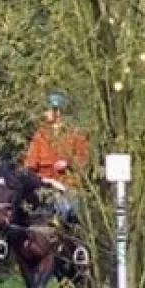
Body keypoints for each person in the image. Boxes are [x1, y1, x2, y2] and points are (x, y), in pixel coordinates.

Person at [23, 90, 89, 226]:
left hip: (67, 184)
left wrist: (68, 163)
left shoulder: (75, 134)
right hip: (44, 183)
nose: (44, 114)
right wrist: (34, 177)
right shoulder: (40, 135)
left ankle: (74, 240)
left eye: (47, 110)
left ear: (57, 112)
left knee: (70, 208)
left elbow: (83, 159)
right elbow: (30, 162)